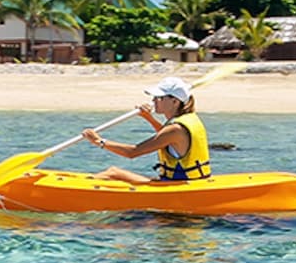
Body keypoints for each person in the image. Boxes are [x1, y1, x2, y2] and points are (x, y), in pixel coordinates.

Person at [80, 76, 211, 184]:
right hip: (188, 181)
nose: (153, 101)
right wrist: (148, 118)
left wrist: (99, 141)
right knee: (113, 172)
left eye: (159, 98)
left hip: (177, 185)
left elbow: (133, 152)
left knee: (113, 173)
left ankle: (79, 190)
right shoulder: (188, 119)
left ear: (175, 101)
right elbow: (166, 137)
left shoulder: (176, 128)